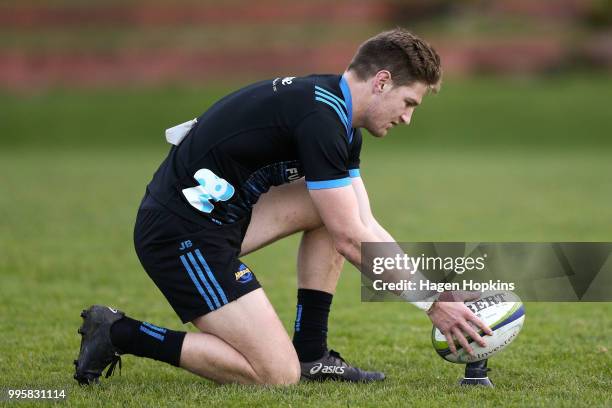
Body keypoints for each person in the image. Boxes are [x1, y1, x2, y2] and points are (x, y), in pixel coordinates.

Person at [74, 28, 492, 386]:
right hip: (179, 233)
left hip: (225, 219)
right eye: (409, 103)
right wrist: (431, 304)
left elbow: (363, 225)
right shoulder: (321, 118)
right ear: (381, 81)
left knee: (335, 212)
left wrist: (436, 289)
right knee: (274, 374)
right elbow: (351, 239)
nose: (407, 119)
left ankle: (311, 353)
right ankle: (119, 332)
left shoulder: (338, 118)